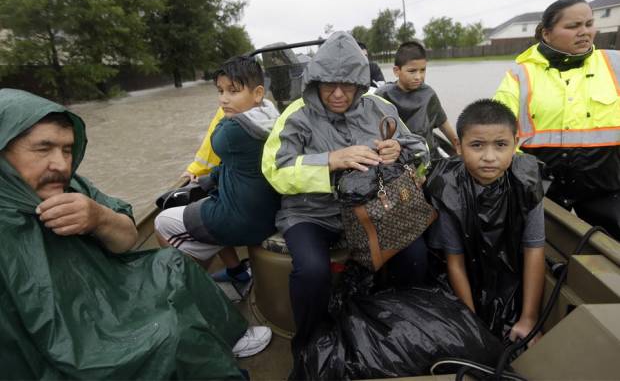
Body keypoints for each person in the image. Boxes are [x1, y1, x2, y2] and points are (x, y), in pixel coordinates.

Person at [0, 88, 271, 379]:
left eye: (67, 150)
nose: (62, 165)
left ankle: (233, 336)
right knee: (173, 333)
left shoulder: (73, 185)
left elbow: (128, 238)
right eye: (43, 148)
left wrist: (98, 217)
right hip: (76, 338)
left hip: (110, 287)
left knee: (173, 262)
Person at [261, 31, 430, 350]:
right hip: (311, 214)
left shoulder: (380, 106)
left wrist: (400, 151)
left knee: (416, 255)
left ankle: (399, 326)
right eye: (328, 85)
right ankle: (310, 345)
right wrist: (329, 161)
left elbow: (420, 149)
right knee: (312, 271)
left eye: (348, 85)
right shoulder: (295, 115)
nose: (338, 94)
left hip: (375, 210)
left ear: (361, 83)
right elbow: (275, 170)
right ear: (315, 82)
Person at [494, 0, 620, 241]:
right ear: (547, 33)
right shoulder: (520, 75)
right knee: (531, 244)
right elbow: (497, 133)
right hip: (541, 188)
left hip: (605, 188)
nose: (584, 32)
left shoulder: (615, 64)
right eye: (573, 26)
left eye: (589, 24)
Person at [425, 99, 545, 343]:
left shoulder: (527, 183)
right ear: (458, 146)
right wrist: (472, 325)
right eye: (477, 145)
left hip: (509, 274)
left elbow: (534, 250)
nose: (489, 157)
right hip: (466, 272)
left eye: (501, 145)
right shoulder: (449, 188)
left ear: (516, 144)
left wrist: (529, 318)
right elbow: (455, 261)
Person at [155, 56, 281, 283]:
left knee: (162, 222)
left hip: (243, 220)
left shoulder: (235, 130)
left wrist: (225, 118)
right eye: (220, 91)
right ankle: (237, 271)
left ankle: (193, 289)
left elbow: (217, 136)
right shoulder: (270, 115)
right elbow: (229, 166)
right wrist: (206, 180)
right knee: (205, 198)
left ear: (258, 93)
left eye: (233, 91)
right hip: (266, 212)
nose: (223, 100)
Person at [375, 41, 458, 159]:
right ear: (396, 71)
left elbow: (443, 124)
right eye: (412, 71)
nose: (418, 77)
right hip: (398, 158)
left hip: (428, 156)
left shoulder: (429, 94)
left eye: (423, 70)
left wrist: (458, 146)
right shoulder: (382, 95)